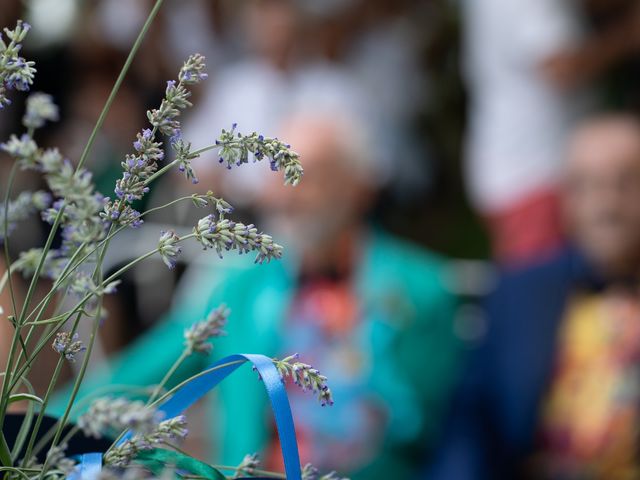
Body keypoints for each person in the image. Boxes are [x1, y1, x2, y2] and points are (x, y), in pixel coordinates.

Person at [53, 111, 463, 479]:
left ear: (359, 188)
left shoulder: (422, 291)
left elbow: (446, 435)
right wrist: (33, 420)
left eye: (307, 174)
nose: (284, 194)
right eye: (276, 172)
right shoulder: (242, 288)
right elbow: (138, 378)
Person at [430, 114, 640, 479]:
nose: (607, 204)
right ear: (566, 198)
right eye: (586, 186)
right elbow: (472, 422)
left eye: (626, 183)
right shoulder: (520, 291)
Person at [463, 0, 640, 265]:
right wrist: (628, 34)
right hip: (534, 174)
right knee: (545, 288)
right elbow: (561, 65)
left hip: (527, 170)